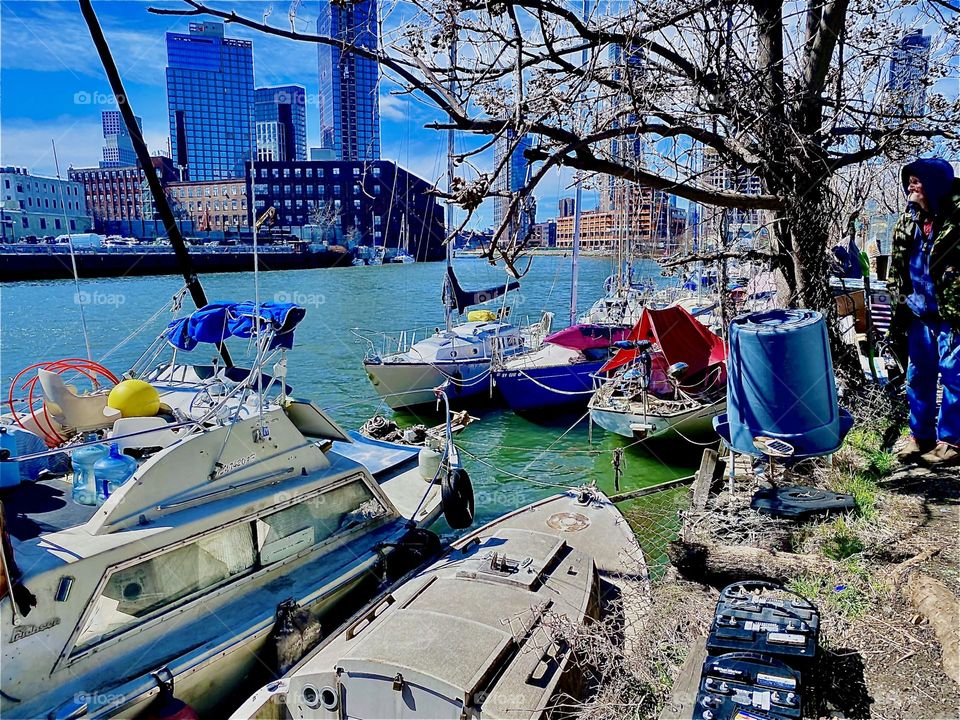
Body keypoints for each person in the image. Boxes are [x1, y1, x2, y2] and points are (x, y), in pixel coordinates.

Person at [888, 158, 960, 466]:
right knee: (918, 376)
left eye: (918, 181)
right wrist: (898, 305)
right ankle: (921, 437)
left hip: (953, 316)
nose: (911, 186)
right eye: (910, 181)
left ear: (934, 186)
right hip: (918, 313)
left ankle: (952, 441)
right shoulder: (909, 220)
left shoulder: (955, 221)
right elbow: (897, 267)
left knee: (955, 377)